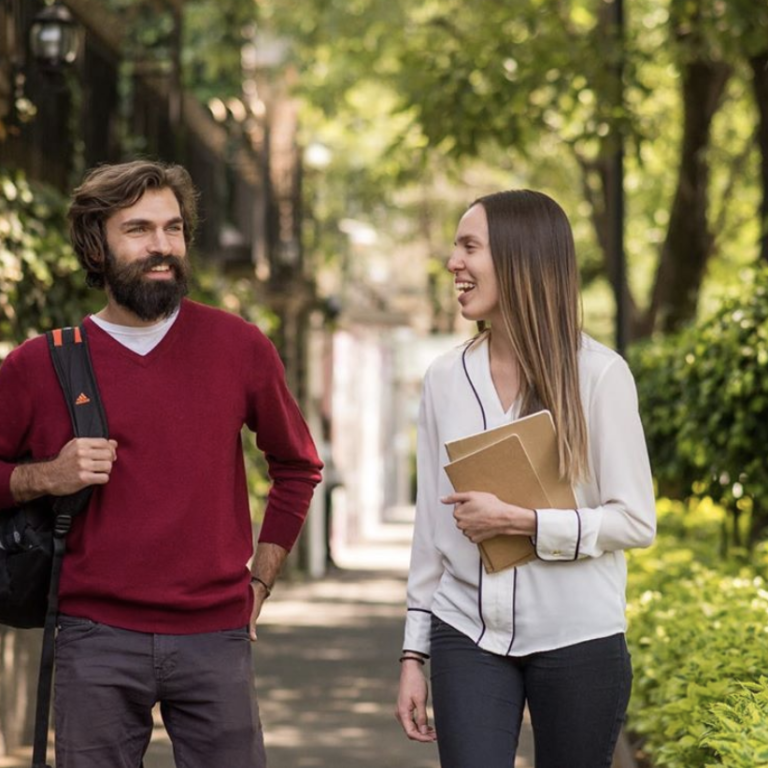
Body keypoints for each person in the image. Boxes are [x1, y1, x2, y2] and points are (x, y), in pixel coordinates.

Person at [0, 160, 323, 768]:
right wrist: (46, 475)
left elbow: (297, 465)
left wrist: (261, 579)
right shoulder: (40, 364)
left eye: (173, 229)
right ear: (98, 245)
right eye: (139, 229)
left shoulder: (239, 346)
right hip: (95, 637)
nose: (161, 247)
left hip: (216, 637)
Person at [395, 190, 656, 768]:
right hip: (467, 634)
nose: (452, 263)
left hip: (579, 638)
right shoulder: (444, 378)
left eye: (469, 247)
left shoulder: (600, 375)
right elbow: (431, 528)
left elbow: (636, 520)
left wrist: (527, 524)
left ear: (520, 259)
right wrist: (413, 655)